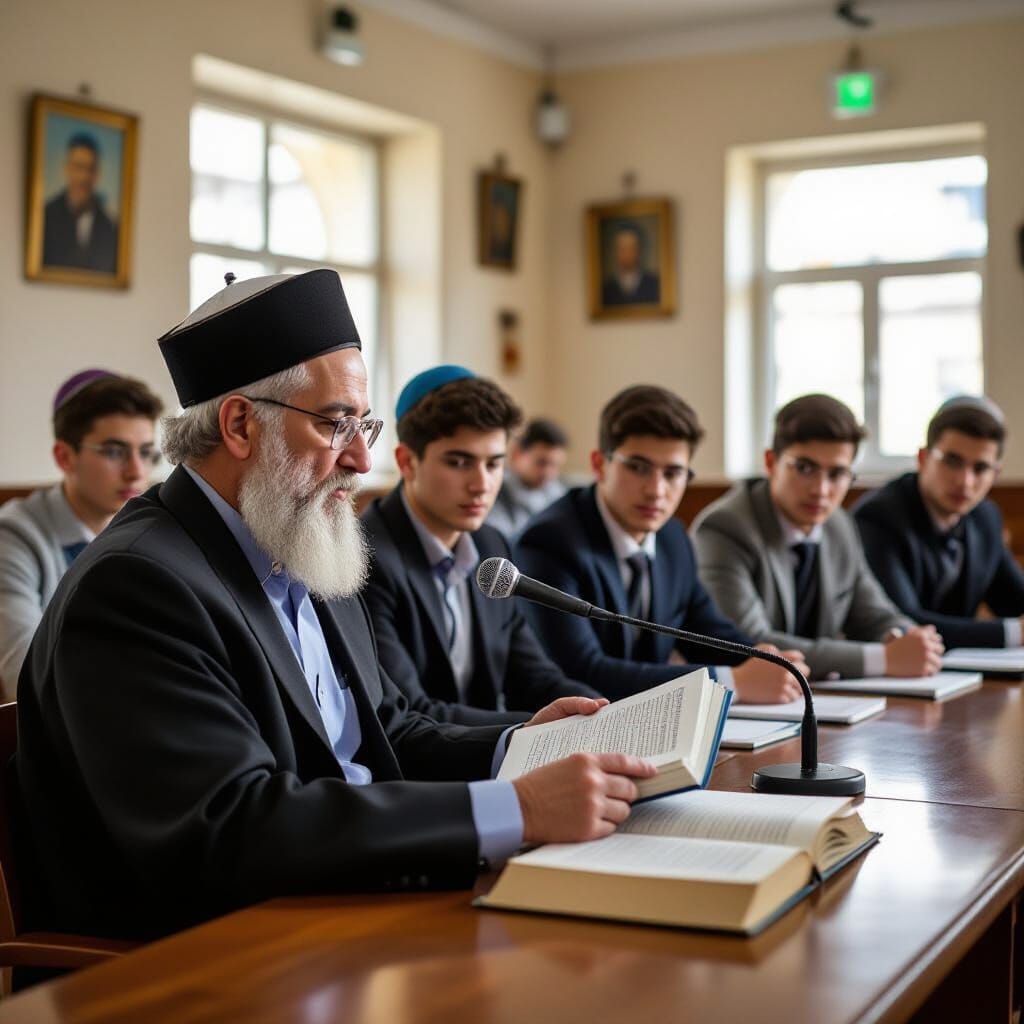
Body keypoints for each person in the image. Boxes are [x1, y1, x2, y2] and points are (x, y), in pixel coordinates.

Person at [16, 270, 655, 943]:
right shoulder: (139, 587)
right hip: (212, 956)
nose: (359, 457)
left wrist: (521, 746)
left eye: (364, 424)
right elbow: (231, 828)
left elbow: (388, 731)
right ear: (239, 425)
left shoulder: (298, 536)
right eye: (336, 424)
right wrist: (514, 809)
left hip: (345, 901)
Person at [516, 385, 807, 703]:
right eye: (638, 468)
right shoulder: (549, 542)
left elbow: (706, 631)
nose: (656, 490)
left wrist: (765, 661)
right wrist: (731, 681)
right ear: (600, 465)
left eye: (673, 473)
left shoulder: (672, 538)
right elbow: (582, 671)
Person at [361, 368, 598, 726]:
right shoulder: (368, 557)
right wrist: (530, 730)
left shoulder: (491, 543)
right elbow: (411, 713)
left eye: (494, 464)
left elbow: (533, 677)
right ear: (407, 462)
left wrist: (599, 712)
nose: (481, 484)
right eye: (459, 462)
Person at [692, 394, 945, 680]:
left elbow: (874, 613)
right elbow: (747, 642)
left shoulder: (839, 525)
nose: (821, 490)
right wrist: (882, 659)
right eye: (804, 468)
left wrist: (907, 638)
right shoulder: (726, 527)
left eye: (837, 474)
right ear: (771, 462)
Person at [0, 369, 163, 694]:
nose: (137, 471)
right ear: (65, 457)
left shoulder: (159, 527)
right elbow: (26, 677)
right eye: (114, 451)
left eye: (145, 452)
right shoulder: (13, 538)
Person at [854, 396, 1024, 649]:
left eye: (980, 468)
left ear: (995, 474)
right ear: (923, 458)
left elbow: (1014, 600)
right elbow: (903, 622)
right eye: (952, 462)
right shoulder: (878, 517)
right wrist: (1013, 633)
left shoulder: (986, 517)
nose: (965, 481)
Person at [42, 133, 119, 274]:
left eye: (89, 169)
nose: (84, 177)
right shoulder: (45, 216)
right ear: (67, 168)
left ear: (97, 174)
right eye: (78, 167)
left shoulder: (110, 226)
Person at [487, 417, 569, 540]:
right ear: (516, 454)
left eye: (555, 465)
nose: (548, 473)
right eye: (541, 463)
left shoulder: (558, 493)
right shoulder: (493, 492)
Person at [601, 225, 659, 307]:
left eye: (631, 248)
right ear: (615, 252)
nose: (627, 254)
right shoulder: (606, 288)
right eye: (622, 249)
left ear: (639, 251)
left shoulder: (654, 284)